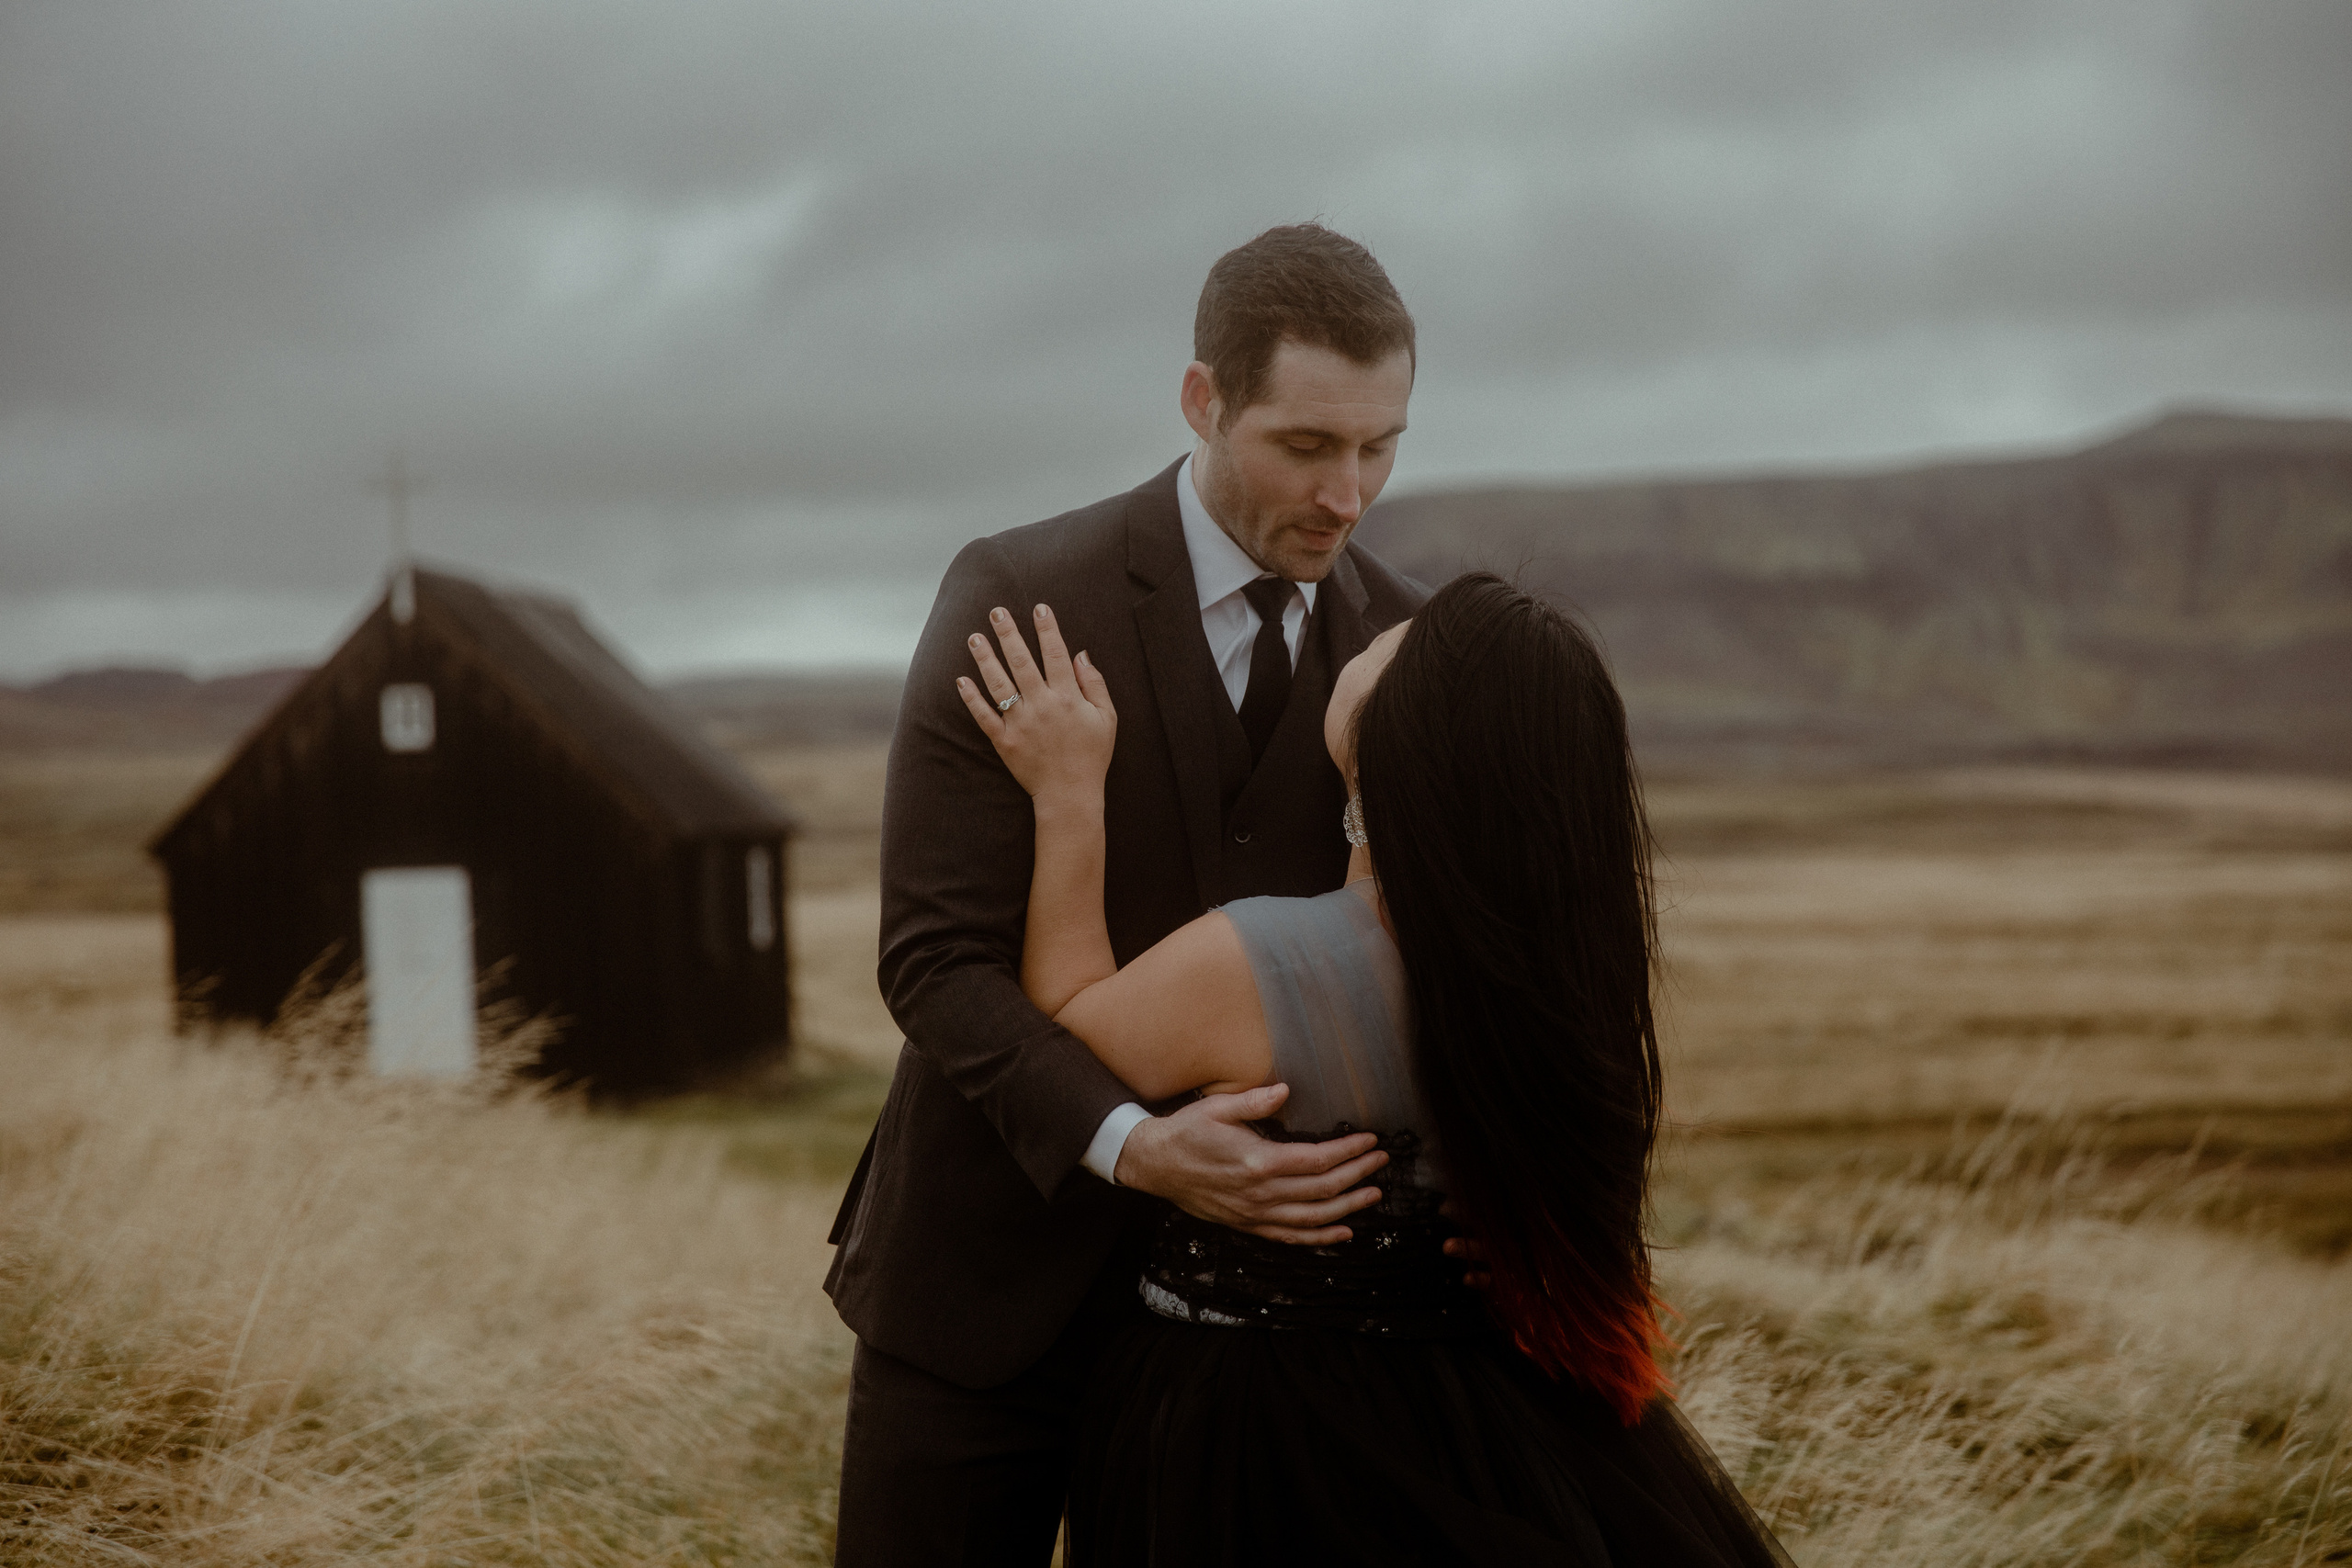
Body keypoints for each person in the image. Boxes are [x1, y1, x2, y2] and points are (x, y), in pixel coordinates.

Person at [953, 572, 1795, 1565]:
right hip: (1494, 1413)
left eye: (1409, 642)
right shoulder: (1561, 972)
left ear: (1408, 732)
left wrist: (1067, 796)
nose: (1387, 625)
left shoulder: (1262, 960)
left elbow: (1066, 1034)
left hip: (1254, 1428)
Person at [825, 224, 1429, 1564]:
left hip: (1253, 1345)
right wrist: (1137, 1146)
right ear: (1202, 401)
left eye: (1381, 445)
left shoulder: (1404, 646)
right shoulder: (1020, 592)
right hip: (976, 1291)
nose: (1350, 494)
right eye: (1307, 445)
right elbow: (931, 960)